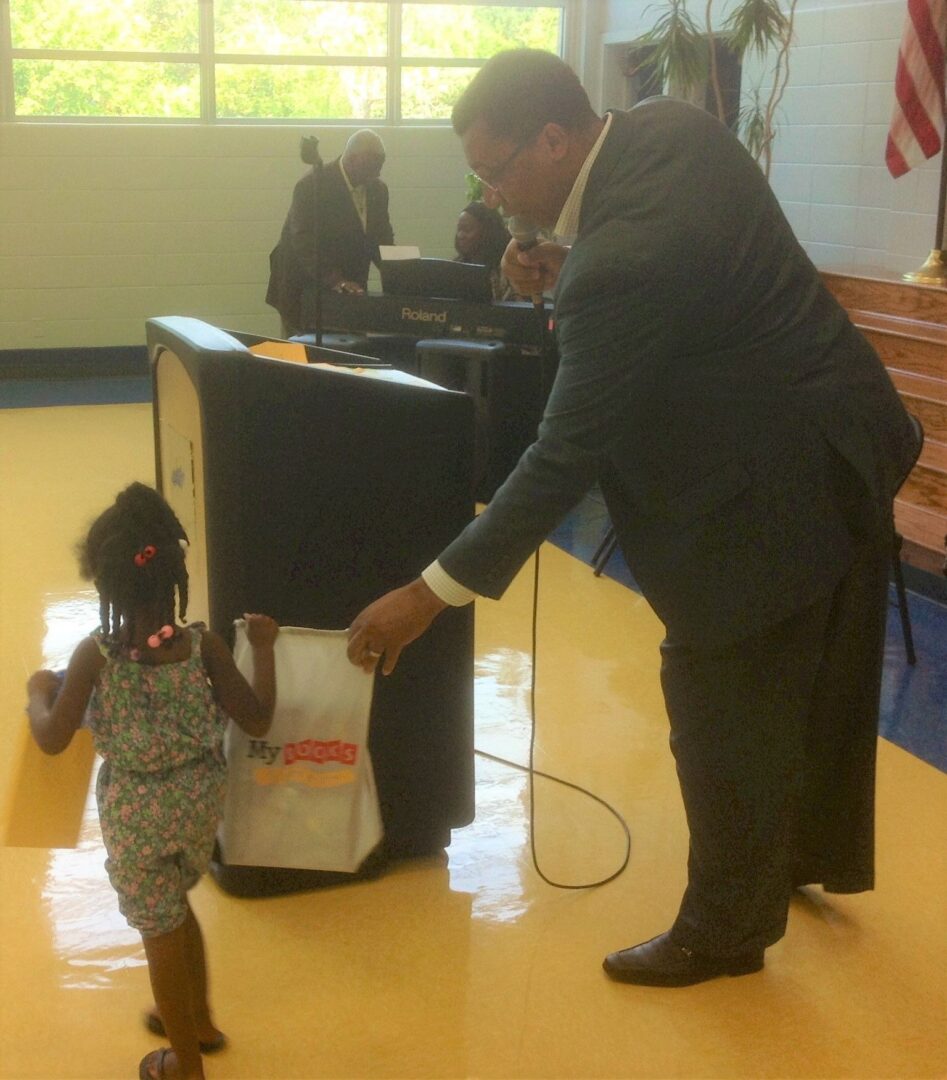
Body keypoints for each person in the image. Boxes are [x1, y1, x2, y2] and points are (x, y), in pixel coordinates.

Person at [345, 49, 919, 987]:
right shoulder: (668, 126)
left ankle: (726, 931)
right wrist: (566, 265)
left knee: (718, 696)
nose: (489, 193)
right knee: (814, 682)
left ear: (557, 139)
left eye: (497, 170)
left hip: (771, 485)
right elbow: (676, 266)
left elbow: (560, 458)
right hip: (841, 433)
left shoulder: (619, 267)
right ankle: (798, 858)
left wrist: (428, 593)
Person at [25, 482, 279, 1079]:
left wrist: (39, 693)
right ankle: (202, 1019)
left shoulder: (97, 656)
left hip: (137, 815)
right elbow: (259, 717)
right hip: (198, 806)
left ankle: (184, 1066)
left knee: (158, 930)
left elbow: (53, 738)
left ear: (106, 583)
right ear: (172, 572)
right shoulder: (203, 646)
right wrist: (262, 649)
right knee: (178, 905)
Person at [265, 128, 395, 336]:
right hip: (302, 290)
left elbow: (382, 238)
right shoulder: (312, 185)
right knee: (302, 360)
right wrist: (337, 281)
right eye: (372, 167)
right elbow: (303, 242)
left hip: (348, 293)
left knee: (350, 357)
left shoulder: (378, 190)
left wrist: (400, 274)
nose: (377, 174)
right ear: (352, 159)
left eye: (380, 167)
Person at [453, 199, 519, 300]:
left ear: (487, 232)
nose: (460, 235)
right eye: (459, 229)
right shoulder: (457, 267)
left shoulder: (508, 268)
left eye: (467, 229)